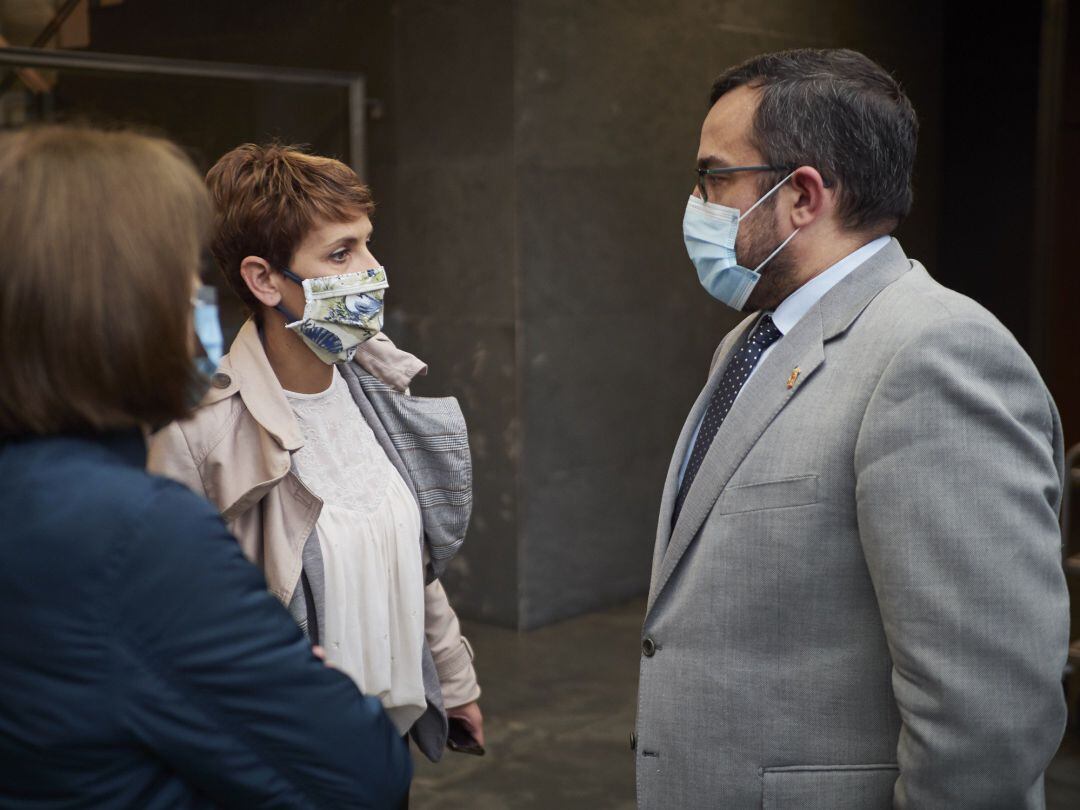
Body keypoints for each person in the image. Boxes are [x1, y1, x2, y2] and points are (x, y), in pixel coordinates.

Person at [636, 48, 1070, 808]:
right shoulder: (750, 339)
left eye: (714, 177)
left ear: (802, 194)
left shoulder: (935, 354)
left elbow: (985, 718)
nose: (697, 202)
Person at [0, 125, 410, 807]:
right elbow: (358, 772)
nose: (196, 298)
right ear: (112, 305)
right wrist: (301, 676)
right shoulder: (134, 529)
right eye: (176, 274)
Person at [148, 143, 483, 765]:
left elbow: (410, 556)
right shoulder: (197, 435)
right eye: (341, 252)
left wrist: (454, 680)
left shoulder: (379, 389)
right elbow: (168, 631)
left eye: (366, 243)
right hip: (278, 759)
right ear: (263, 279)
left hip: (384, 749)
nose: (372, 269)